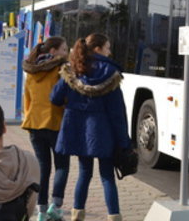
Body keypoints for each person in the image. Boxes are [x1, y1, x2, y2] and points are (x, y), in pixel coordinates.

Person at [51, 33, 131, 221]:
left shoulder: (73, 69)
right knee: (107, 177)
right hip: (104, 133)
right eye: (108, 47)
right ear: (98, 49)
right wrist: (124, 142)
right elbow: (117, 114)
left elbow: (54, 97)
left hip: (78, 130)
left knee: (84, 173)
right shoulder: (111, 74)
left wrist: (72, 105)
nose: (109, 51)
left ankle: (77, 215)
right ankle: (114, 216)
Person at [22, 37, 70, 221]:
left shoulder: (31, 70)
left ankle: (41, 212)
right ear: (53, 52)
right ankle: (55, 207)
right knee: (62, 166)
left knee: (43, 168)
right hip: (56, 124)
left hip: (34, 124)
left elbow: (27, 99)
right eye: (64, 49)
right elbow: (65, 98)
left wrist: (29, 118)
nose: (66, 53)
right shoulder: (61, 69)